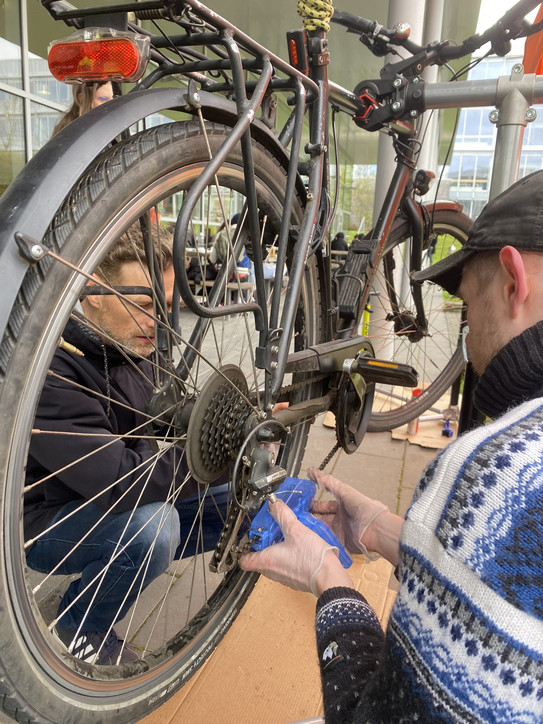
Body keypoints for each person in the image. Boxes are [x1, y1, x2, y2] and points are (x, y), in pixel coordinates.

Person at [241, 171, 543, 722]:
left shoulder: (505, 472)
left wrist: (328, 580)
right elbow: (512, 586)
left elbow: (382, 715)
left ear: (512, 282)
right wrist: (382, 528)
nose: (469, 339)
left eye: (468, 311)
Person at [25, 224, 227, 665]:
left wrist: (228, 433)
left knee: (237, 495)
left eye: (168, 307)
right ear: (92, 292)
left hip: (123, 491)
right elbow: (118, 481)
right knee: (154, 529)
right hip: (50, 520)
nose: (158, 324)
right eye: (142, 305)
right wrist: (213, 451)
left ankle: (130, 569)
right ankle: (81, 625)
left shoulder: (138, 348)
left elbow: (173, 428)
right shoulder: (52, 373)